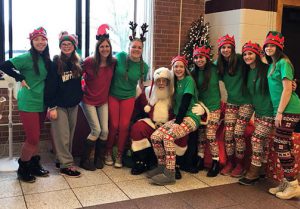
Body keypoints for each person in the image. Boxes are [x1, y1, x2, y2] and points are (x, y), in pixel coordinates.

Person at [0, 27, 51, 182]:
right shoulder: (27, 57)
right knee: (33, 138)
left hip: (41, 102)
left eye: (43, 39)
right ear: (32, 41)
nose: (40, 42)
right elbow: (4, 65)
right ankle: (23, 168)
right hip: (28, 101)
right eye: (37, 39)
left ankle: (34, 165)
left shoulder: (45, 58)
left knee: (35, 136)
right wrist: (19, 76)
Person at [130, 67, 189, 179]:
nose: (161, 83)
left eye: (164, 80)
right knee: (137, 128)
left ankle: (174, 165)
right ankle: (141, 161)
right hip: (152, 124)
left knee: (181, 132)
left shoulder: (175, 94)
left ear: (168, 81)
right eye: (158, 81)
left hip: (170, 124)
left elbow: (183, 108)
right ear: (155, 81)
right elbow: (137, 107)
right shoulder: (148, 92)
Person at [148, 55, 200, 185]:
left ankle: (170, 174)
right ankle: (161, 166)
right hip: (179, 117)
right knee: (155, 136)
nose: (178, 69)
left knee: (168, 138)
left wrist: (177, 122)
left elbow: (186, 102)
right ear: (173, 68)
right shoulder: (174, 83)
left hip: (190, 118)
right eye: (176, 66)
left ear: (185, 68)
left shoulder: (189, 80)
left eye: (181, 66)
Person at [105, 22, 149, 168]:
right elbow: (106, 67)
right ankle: (108, 151)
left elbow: (142, 86)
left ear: (142, 50)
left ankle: (120, 154)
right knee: (114, 125)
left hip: (128, 97)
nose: (136, 49)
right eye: (134, 47)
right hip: (113, 95)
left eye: (139, 47)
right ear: (129, 47)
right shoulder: (120, 57)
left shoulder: (144, 66)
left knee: (124, 126)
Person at [263, 31, 300, 199]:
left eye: (273, 45)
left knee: (280, 144)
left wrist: (279, 113)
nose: (269, 48)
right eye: (267, 45)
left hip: (288, 109)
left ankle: (292, 184)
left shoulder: (284, 62)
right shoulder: (273, 64)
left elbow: (286, 89)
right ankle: (288, 181)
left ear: (279, 48)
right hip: (281, 109)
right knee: (284, 145)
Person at [44, 31, 82, 177]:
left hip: (73, 105)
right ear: (60, 46)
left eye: (69, 44)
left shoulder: (77, 63)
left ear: (74, 46)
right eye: (64, 44)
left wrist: (79, 97)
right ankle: (66, 165)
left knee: (70, 135)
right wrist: (51, 106)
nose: (66, 46)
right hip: (58, 105)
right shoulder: (55, 63)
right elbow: (50, 86)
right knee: (63, 136)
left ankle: (62, 159)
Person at [216, 34, 253, 177]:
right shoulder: (219, 64)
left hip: (246, 102)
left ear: (233, 48)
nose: (226, 50)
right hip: (232, 102)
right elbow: (204, 68)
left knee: (238, 133)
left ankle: (240, 164)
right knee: (229, 134)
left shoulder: (239, 59)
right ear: (220, 50)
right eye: (223, 47)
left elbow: (257, 66)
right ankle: (230, 162)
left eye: (228, 47)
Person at [80, 24, 116, 171]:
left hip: (103, 101)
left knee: (105, 131)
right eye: (102, 47)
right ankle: (84, 160)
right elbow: (76, 72)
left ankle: (98, 158)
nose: (105, 49)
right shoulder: (89, 61)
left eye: (107, 46)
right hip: (88, 100)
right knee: (96, 130)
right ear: (97, 48)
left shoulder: (113, 62)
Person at [238, 41, 274, 185]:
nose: (247, 56)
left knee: (257, 139)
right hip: (258, 112)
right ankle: (263, 170)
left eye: (250, 53)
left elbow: (280, 84)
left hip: (270, 112)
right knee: (263, 142)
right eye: (245, 54)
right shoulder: (247, 71)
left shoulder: (268, 69)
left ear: (258, 54)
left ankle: (254, 171)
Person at [191, 45, 221, 177]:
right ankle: (200, 159)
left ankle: (216, 162)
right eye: (196, 57)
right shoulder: (193, 73)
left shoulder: (215, 69)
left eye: (201, 57)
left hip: (214, 107)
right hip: (201, 108)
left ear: (207, 58)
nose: (199, 60)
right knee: (201, 135)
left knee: (210, 134)